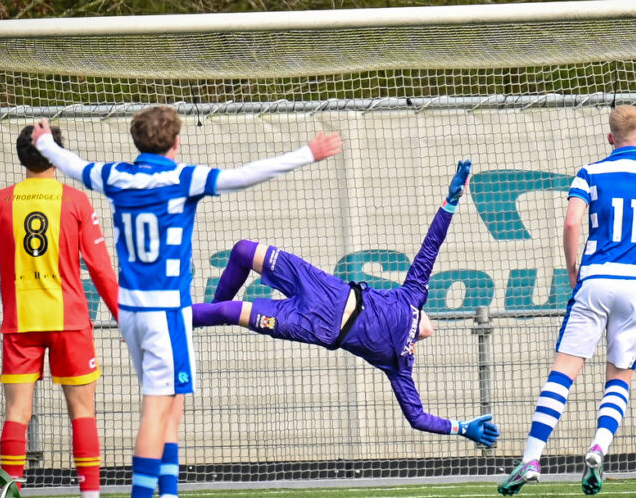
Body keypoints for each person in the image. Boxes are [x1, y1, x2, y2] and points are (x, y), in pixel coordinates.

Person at [32, 107, 342, 498]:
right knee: (157, 409)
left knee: (172, 404)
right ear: (175, 144)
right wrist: (307, 153)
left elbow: (72, 164)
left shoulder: (116, 176)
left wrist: (45, 143)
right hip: (163, 312)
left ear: (137, 142)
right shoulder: (181, 179)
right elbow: (244, 175)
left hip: (133, 312)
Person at [191, 159, 499, 448]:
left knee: (227, 312)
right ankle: (205, 316)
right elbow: (431, 245)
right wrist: (452, 200)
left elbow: (416, 417)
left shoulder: (400, 364)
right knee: (243, 251)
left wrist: (462, 428)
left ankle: (171, 318)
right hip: (326, 289)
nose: (435, 326)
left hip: (316, 325)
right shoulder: (413, 296)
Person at [498, 105, 636, 497]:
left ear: (610, 139)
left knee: (563, 373)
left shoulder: (589, 173)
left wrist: (572, 270)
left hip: (595, 280)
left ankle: (530, 459)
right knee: (619, 376)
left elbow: (571, 222)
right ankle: (598, 447)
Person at [0, 124, 122, 498]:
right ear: (55, 155)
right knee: (82, 413)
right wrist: (125, 317)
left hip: (20, 322)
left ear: (23, 157)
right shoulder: (75, 201)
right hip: (70, 321)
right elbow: (102, 269)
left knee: (17, 413)